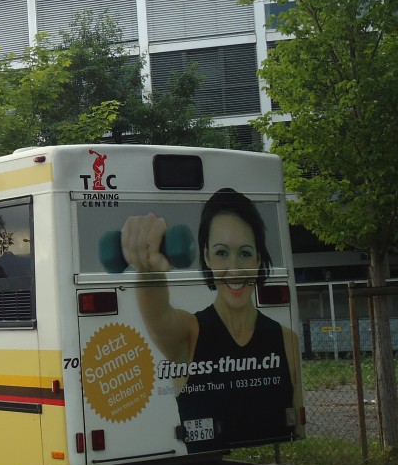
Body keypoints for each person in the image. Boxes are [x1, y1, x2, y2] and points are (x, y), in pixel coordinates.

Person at [121, 187, 302, 451]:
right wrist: (148, 269)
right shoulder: (189, 333)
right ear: (206, 256)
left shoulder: (287, 341)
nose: (234, 270)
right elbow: (157, 316)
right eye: (221, 253)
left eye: (245, 253)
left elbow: (298, 428)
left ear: (258, 258)